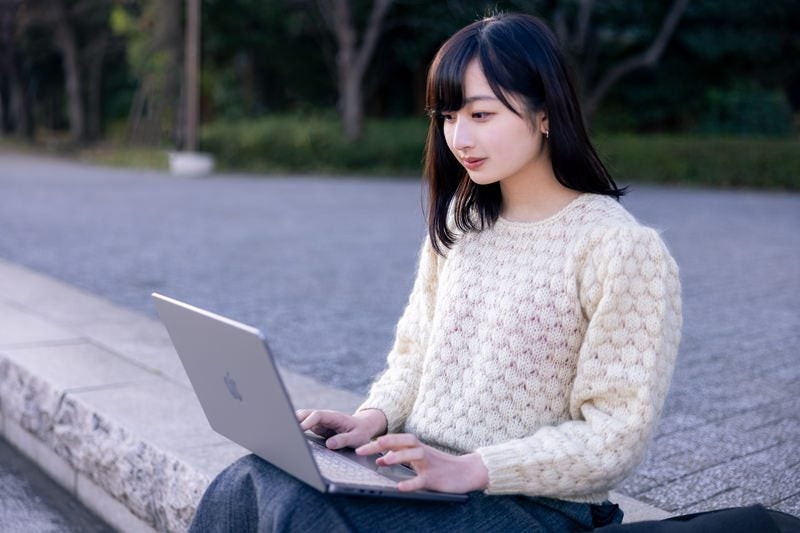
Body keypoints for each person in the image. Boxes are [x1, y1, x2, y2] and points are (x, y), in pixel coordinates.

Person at [188, 12, 682, 533]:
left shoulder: (622, 249)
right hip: (424, 471)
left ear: (545, 114)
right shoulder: (460, 223)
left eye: (481, 115)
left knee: (307, 514)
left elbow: (614, 436)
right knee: (249, 479)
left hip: (536, 504)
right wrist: (371, 419)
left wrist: (473, 468)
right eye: (447, 117)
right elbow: (414, 357)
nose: (459, 137)